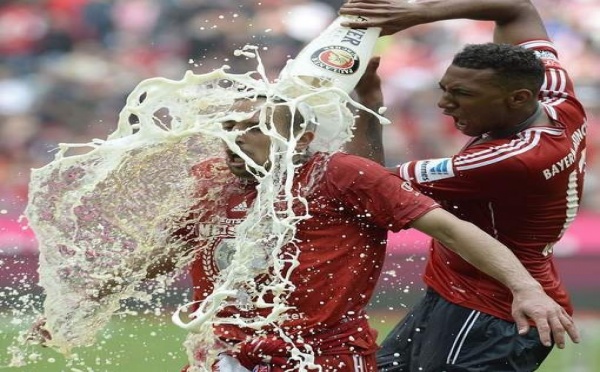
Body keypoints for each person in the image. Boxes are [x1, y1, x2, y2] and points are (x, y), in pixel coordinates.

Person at [169, 55, 579, 372]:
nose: (236, 139)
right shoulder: (211, 179)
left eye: (256, 128)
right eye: (229, 125)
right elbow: (167, 250)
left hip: (318, 356)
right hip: (222, 354)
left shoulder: (342, 175)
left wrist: (526, 289)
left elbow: (445, 225)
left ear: (302, 138)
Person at [340, 0, 586, 370]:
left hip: (492, 314)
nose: (444, 104)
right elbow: (517, 8)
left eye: (463, 95)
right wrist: (420, 13)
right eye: (445, 88)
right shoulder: (553, 93)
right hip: (459, 293)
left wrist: (368, 105)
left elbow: (369, 183)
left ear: (517, 99)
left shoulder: (512, 159)